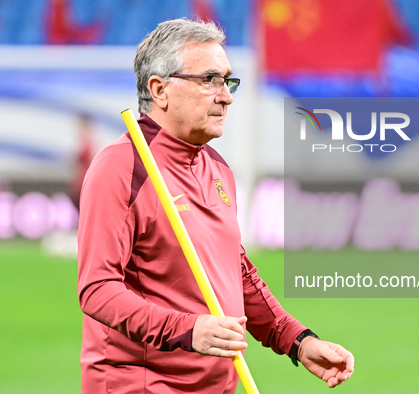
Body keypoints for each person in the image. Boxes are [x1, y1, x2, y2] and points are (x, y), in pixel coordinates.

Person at [77, 18, 354, 394]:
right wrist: (187, 330)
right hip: (142, 385)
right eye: (209, 80)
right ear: (160, 90)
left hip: (216, 385)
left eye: (227, 80)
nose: (226, 95)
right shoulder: (122, 167)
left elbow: (236, 273)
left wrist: (297, 340)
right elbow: (97, 289)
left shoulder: (217, 168)